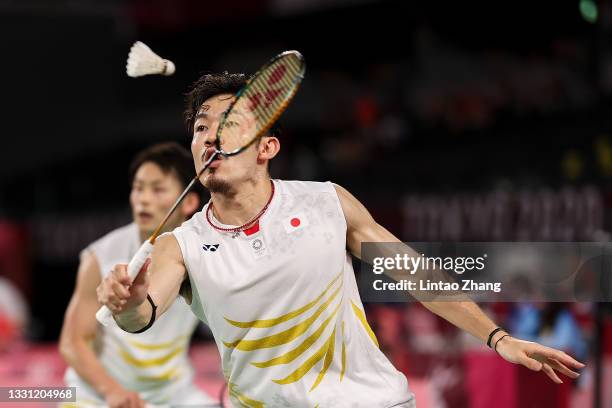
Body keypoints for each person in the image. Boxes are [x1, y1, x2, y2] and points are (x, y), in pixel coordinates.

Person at [97, 74, 585, 407]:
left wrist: (497, 339)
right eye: (201, 128)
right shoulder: (179, 244)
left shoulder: (325, 203)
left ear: (268, 147)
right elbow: (142, 313)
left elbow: (416, 275)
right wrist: (128, 303)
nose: (210, 136)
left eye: (229, 125)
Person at [60, 142, 217, 407]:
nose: (143, 199)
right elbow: (73, 342)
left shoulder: (202, 252)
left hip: (175, 395)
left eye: (157, 189)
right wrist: (112, 392)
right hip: (99, 395)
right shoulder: (100, 256)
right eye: (138, 188)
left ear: (188, 201)